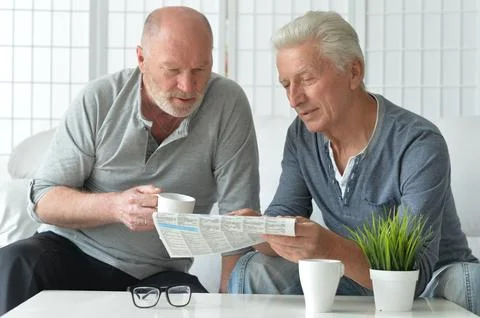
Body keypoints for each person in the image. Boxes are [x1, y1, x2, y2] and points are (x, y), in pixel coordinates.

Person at [0, 6, 260, 315]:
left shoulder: (228, 103)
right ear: (141, 59)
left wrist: (229, 301)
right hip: (71, 252)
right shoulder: (100, 98)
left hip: (157, 272)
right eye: (173, 71)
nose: (189, 87)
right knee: (15, 262)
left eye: (200, 69)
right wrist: (116, 207)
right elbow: (44, 199)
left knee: (199, 305)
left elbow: (238, 221)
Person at [227, 10, 480, 315]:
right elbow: (285, 214)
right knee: (253, 269)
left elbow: (413, 272)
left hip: (430, 280)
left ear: (354, 72)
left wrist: (327, 247)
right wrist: (259, 229)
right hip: (351, 275)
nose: (294, 99)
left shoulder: (418, 142)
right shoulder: (302, 135)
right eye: (285, 84)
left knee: (470, 280)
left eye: (306, 79)